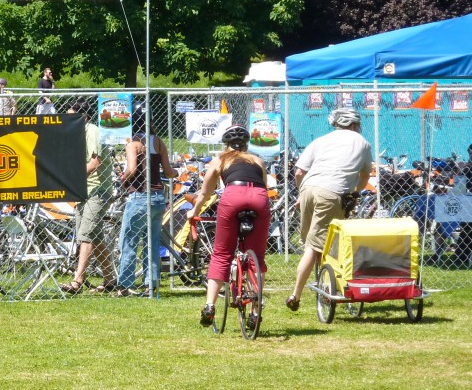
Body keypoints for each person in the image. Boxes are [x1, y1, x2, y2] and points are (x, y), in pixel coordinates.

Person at [287, 107, 373, 311]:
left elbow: (299, 172)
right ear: (354, 125)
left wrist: (301, 193)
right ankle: (296, 294)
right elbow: (365, 175)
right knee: (317, 246)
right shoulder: (362, 143)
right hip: (332, 192)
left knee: (311, 242)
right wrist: (355, 192)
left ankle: (323, 285)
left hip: (308, 188)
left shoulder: (321, 140)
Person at [186, 125, 271, 326]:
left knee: (222, 253)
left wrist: (194, 211)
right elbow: (264, 185)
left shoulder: (220, 160)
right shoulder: (257, 160)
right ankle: (256, 311)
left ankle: (210, 306)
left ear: (226, 144)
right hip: (259, 198)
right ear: (246, 143)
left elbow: (206, 191)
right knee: (256, 257)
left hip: (234, 197)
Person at [115, 113, 177, 296]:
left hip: (140, 197)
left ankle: (125, 285)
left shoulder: (133, 143)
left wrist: (123, 178)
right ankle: (151, 284)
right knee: (152, 242)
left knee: (129, 241)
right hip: (158, 198)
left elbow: (132, 169)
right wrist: (176, 172)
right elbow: (168, 171)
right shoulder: (158, 142)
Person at [60, 97, 116, 294]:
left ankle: (78, 281)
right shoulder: (75, 133)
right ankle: (110, 279)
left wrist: (71, 180)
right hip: (83, 191)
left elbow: (94, 163)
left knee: (86, 235)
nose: (67, 121)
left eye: (70, 117)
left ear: (83, 117)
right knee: (95, 236)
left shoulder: (92, 131)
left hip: (98, 191)